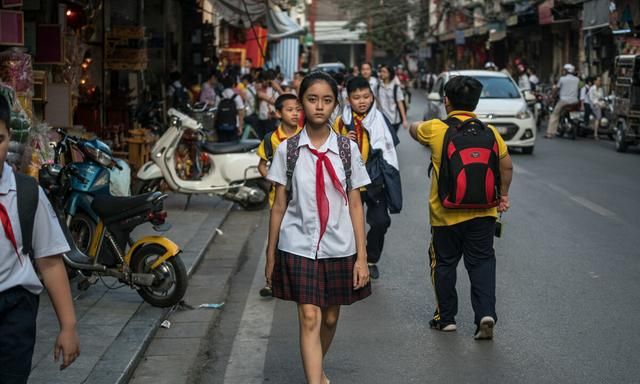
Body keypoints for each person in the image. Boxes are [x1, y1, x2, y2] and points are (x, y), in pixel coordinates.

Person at [265, 71, 371, 384]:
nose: (319, 107)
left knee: (330, 316)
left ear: (335, 106)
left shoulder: (347, 151)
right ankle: (315, 381)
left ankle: (317, 369)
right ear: (301, 105)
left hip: (339, 245)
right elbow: (278, 206)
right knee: (309, 315)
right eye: (312, 100)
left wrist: (362, 257)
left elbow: (355, 205)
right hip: (297, 244)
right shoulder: (288, 150)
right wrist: (270, 256)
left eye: (326, 100)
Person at [409, 75, 513, 340]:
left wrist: (416, 125)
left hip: (445, 215)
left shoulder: (435, 129)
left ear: (446, 101)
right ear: (476, 103)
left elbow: (413, 129)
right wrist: (503, 196)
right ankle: (485, 314)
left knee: (443, 264)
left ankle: (446, 319)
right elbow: (506, 166)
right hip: (484, 213)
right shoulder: (489, 132)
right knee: (482, 263)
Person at [0, 96, 80, 383]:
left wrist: (68, 326)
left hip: (13, 311)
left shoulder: (27, 194)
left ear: (10, 139)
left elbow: (49, 262)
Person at [332, 76, 402, 280]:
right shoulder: (340, 121)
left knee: (381, 222)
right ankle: (352, 259)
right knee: (347, 224)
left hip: (374, 180)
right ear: (348, 99)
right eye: (356, 97)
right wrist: (342, 140)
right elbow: (327, 148)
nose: (362, 101)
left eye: (366, 96)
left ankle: (371, 258)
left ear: (372, 97)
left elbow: (389, 151)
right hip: (348, 181)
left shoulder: (380, 119)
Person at [256, 93, 301, 297]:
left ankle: (296, 277)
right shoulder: (270, 139)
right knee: (277, 237)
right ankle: (271, 280)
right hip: (279, 199)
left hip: (302, 198)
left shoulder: (306, 135)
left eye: (298, 110)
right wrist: (272, 179)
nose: (295, 113)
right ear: (278, 113)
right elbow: (262, 165)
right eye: (290, 110)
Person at [546, 64, 580, 138]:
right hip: (575, 101)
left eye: (564, 70)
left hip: (564, 101)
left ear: (567, 71)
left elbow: (556, 89)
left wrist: (552, 97)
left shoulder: (562, 79)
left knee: (555, 114)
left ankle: (550, 133)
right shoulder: (577, 79)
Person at [377, 64, 408, 132]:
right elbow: (377, 102)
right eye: (381, 71)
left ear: (390, 74)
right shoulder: (379, 86)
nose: (381, 73)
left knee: (391, 141)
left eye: (384, 72)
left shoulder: (395, 88)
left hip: (393, 120)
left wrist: (404, 120)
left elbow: (400, 103)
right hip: (381, 120)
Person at [215, 76, 245, 142]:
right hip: (234, 126)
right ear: (233, 85)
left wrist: (214, 127)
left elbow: (215, 112)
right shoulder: (236, 97)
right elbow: (241, 112)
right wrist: (240, 126)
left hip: (220, 126)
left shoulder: (219, 97)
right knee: (233, 146)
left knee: (222, 146)